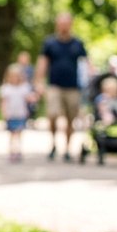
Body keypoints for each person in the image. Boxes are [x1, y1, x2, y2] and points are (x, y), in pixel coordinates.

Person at [34, 12, 88, 162]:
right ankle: (53, 144)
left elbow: (86, 63)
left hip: (73, 87)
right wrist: (38, 82)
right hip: (54, 86)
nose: (63, 26)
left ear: (71, 24)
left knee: (71, 119)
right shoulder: (50, 43)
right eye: (61, 23)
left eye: (66, 23)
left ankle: (68, 148)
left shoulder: (78, 43)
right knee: (52, 114)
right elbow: (43, 62)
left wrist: (90, 81)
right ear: (57, 24)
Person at [0, 63, 35, 162]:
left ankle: (18, 150)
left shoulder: (24, 88)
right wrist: (4, 113)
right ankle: (12, 151)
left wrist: (34, 97)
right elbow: (3, 102)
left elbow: (29, 98)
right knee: (12, 134)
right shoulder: (6, 88)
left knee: (19, 133)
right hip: (11, 115)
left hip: (21, 114)